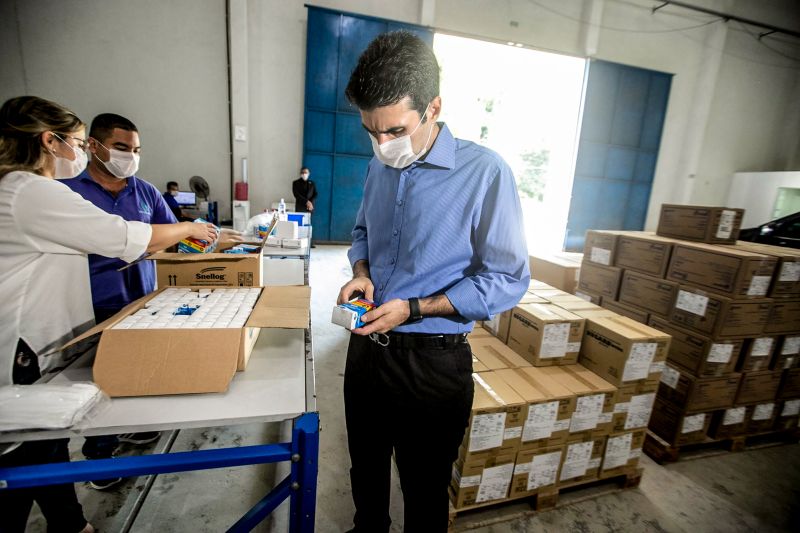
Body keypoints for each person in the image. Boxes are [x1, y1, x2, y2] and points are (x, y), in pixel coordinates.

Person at [336, 31, 530, 532]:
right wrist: (361, 273)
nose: (382, 145)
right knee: (366, 475)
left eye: (394, 130)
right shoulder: (379, 168)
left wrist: (415, 308)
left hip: (432, 365)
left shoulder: (485, 173)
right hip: (365, 354)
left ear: (433, 107)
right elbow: (362, 232)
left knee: (423, 492)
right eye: (371, 132)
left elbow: (507, 278)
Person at [0, 95, 217, 532]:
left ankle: (70, 523)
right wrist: (192, 227)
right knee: (24, 458)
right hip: (24, 348)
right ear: (50, 141)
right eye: (77, 143)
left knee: (46, 444)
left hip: (45, 338)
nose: (78, 153)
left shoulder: (19, 190)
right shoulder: (32, 191)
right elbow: (118, 236)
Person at [61, 113, 175, 488]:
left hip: (140, 302)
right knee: (100, 383)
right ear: (93, 146)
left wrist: (215, 240)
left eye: (136, 150)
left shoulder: (145, 193)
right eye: (122, 148)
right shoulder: (68, 192)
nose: (130, 156)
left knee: (139, 374)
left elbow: (172, 235)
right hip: (93, 307)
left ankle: (135, 428)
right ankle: (100, 455)